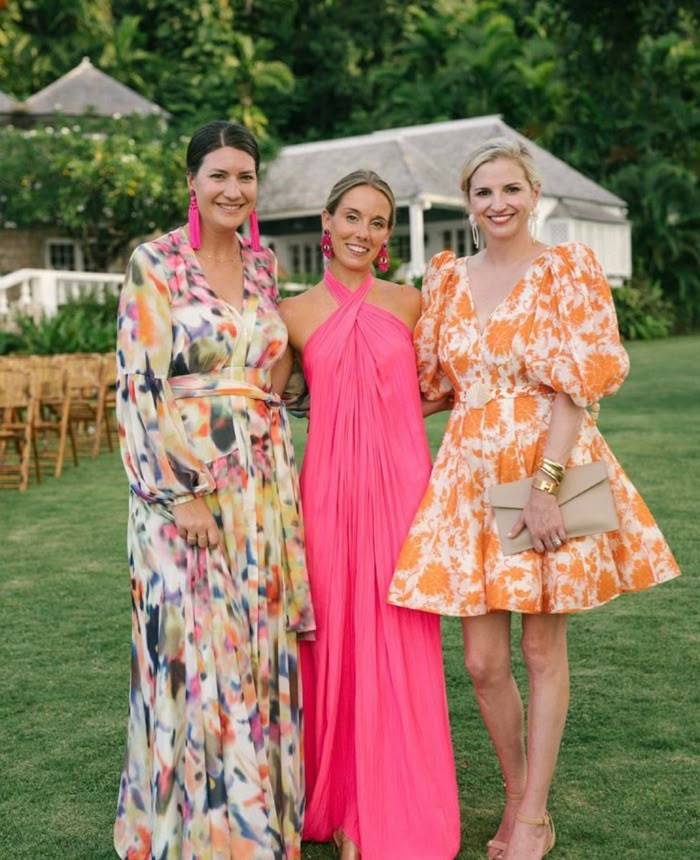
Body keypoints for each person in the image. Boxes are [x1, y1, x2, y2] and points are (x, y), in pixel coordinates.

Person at [388, 137, 681, 860]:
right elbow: (429, 386)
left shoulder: (566, 269)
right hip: (467, 473)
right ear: (469, 202)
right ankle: (518, 788)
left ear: (533, 193)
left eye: (511, 189)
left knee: (542, 645)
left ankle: (533, 816)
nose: (498, 203)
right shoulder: (449, 280)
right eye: (484, 192)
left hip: (546, 460)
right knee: (482, 662)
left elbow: (577, 384)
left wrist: (547, 491)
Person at [114, 120, 314, 860]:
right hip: (183, 490)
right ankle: (193, 836)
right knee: (194, 652)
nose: (234, 189)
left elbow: (275, 365)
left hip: (262, 490)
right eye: (219, 175)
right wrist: (177, 493)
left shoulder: (263, 268)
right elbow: (137, 389)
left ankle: (256, 828)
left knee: (255, 649)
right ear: (192, 181)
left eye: (246, 176)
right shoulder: (155, 263)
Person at [279, 170, 460, 860]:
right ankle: (339, 801)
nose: (362, 231)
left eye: (377, 222)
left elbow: (447, 386)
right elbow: (264, 401)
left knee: (399, 638)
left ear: (388, 236)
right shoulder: (290, 313)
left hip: (402, 489)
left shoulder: (413, 303)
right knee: (329, 638)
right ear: (326, 222)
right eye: (351, 217)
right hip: (323, 490)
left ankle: (389, 805)